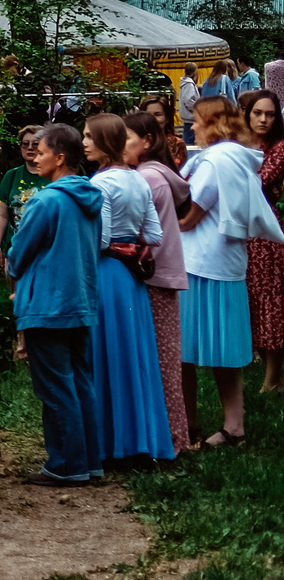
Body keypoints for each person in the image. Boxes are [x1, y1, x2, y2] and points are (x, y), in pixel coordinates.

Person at [178, 97, 284, 447]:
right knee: (220, 350)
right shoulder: (237, 156)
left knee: (187, 350)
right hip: (224, 262)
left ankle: (189, 424)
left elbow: (189, 217)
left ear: (213, 123)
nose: (192, 126)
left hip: (202, 264)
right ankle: (232, 424)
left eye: (197, 121)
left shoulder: (214, 162)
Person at [9, 122, 105, 485]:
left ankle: (66, 464)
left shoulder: (46, 200)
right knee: (80, 382)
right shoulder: (90, 196)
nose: (36, 157)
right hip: (79, 301)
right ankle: (89, 460)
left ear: (60, 157)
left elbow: (19, 252)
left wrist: (15, 268)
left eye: (43, 151)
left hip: (46, 306)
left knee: (54, 387)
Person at [86, 114, 173, 464]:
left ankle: (110, 442)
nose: (85, 143)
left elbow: (101, 238)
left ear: (107, 141)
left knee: (106, 354)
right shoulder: (138, 180)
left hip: (106, 273)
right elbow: (155, 235)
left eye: (90, 137)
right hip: (132, 281)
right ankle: (140, 438)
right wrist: (131, 245)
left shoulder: (99, 184)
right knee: (133, 355)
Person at [126, 111, 194, 450]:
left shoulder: (146, 178)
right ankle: (171, 435)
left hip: (153, 275)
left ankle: (172, 438)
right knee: (164, 358)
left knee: (161, 362)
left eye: (126, 139)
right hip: (162, 274)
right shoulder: (157, 174)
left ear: (148, 141)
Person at [242, 89, 284, 393]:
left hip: (268, 236)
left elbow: (258, 183)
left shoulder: (279, 147)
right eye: (258, 113)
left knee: (271, 301)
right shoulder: (241, 145)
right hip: (244, 233)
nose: (263, 119)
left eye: (270, 114)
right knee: (254, 300)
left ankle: (273, 377)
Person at [0, 124, 46, 270]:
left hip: (44, 251)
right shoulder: (12, 175)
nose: (30, 148)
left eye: (35, 144)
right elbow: (2, 215)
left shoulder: (52, 176)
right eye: (25, 144)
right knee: (16, 293)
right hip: (15, 249)